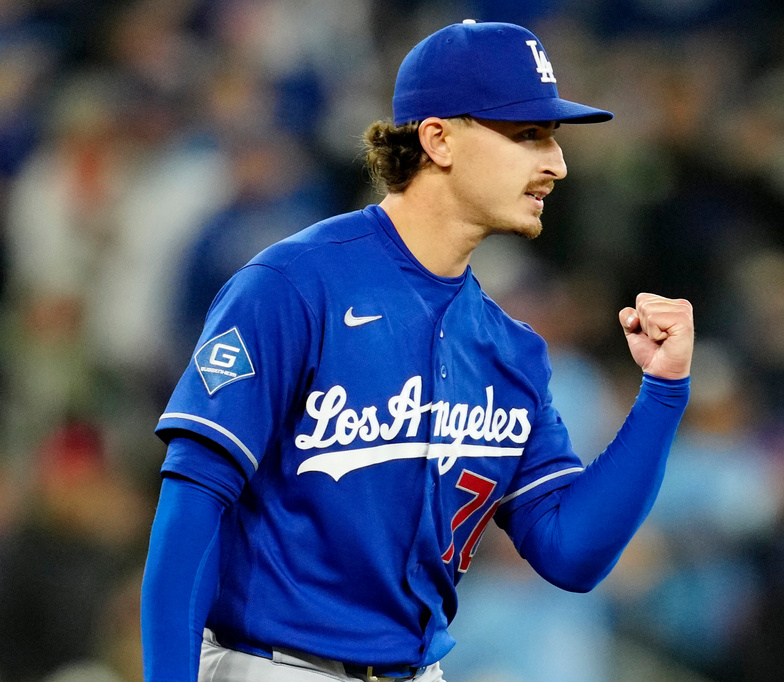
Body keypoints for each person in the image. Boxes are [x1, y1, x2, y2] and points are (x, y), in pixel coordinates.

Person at [140, 20, 694, 682]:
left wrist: (663, 392)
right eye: (528, 135)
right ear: (438, 139)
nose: (557, 162)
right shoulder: (293, 286)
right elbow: (193, 505)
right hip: (273, 665)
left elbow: (570, 552)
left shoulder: (509, 351)